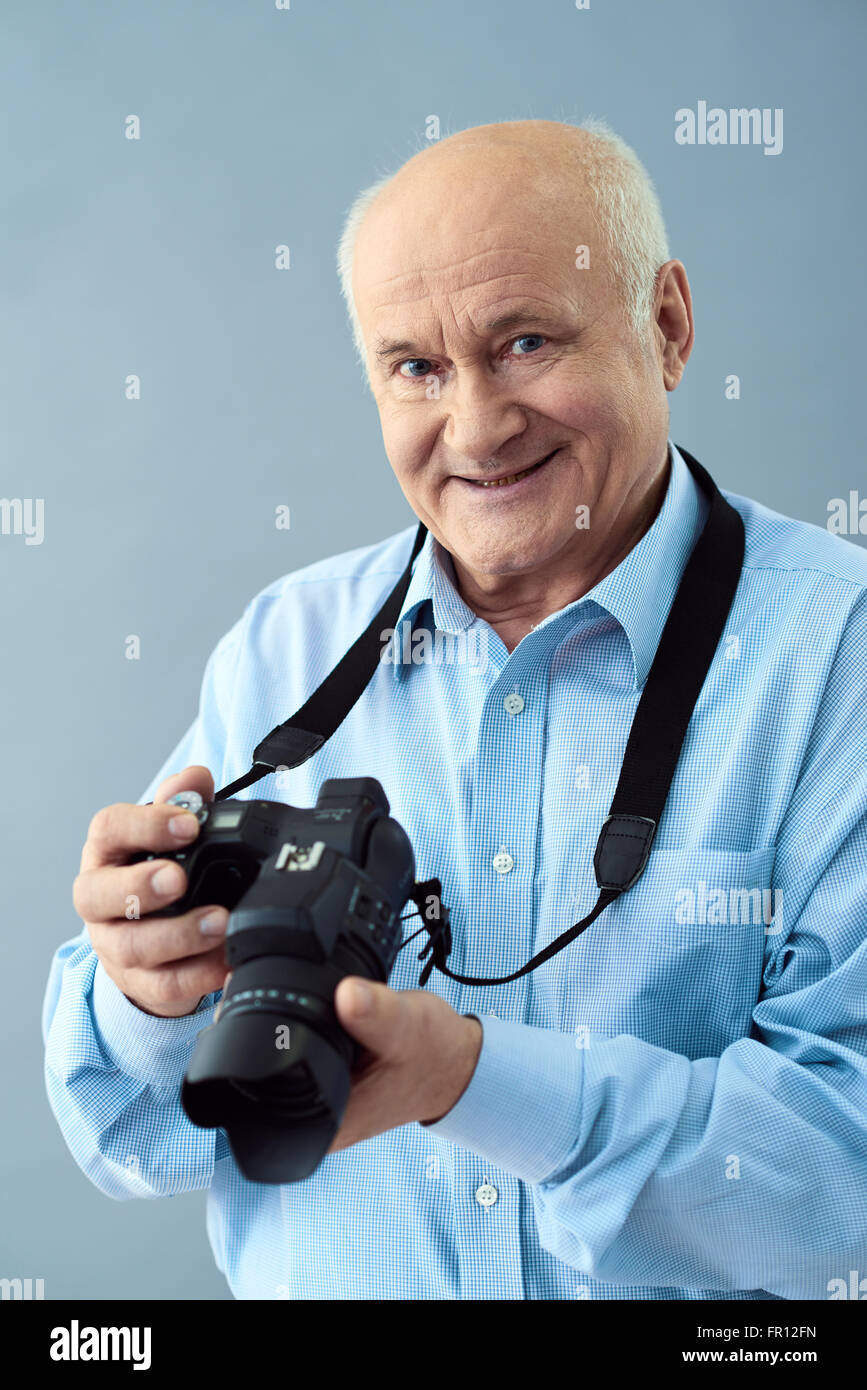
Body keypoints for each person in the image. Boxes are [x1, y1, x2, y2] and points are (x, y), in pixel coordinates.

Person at [43, 119, 867, 1300]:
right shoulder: (289, 646)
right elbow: (130, 1137)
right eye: (416, 369)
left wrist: (479, 1082)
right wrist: (144, 988)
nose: (476, 428)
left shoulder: (838, 652)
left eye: (525, 342)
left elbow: (844, 1183)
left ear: (669, 325)